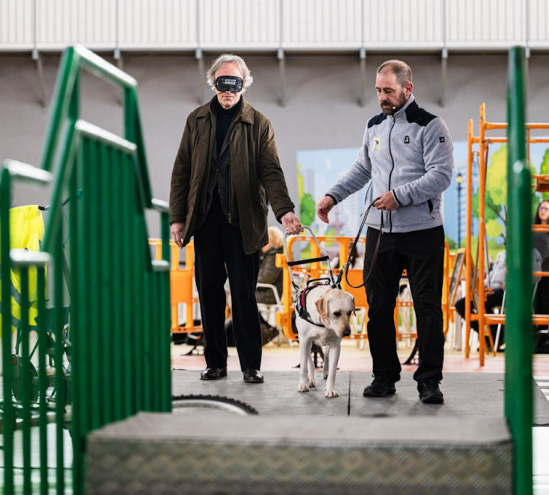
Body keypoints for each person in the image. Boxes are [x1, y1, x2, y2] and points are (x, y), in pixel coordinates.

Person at [316, 60, 454, 404]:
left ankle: (428, 381)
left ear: (408, 89)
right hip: (380, 233)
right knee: (378, 307)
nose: (382, 97)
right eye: (379, 90)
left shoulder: (430, 126)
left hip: (423, 232)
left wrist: (401, 197)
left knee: (427, 308)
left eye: (388, 91)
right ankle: (384, 376)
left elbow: (441, 175)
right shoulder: (374, 126)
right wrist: (333, 195)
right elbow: (363, 167)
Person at [170, 54, 302, 384]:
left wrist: (284, 211)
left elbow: (271, 171)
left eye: (234, 84)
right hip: (204, 219)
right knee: (209, 293)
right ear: (213, 84)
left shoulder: (259, 123)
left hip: (244, 223)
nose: (228, 91)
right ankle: (214, 362)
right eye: (222, 83)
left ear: (244, 84)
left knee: (244, 296)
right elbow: (182, 170)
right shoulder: (196, 120)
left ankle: (250, 366)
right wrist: (178, 218)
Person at [533, 199, 549, 319]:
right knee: (535, 308)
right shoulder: (532, 229)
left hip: (547, 275)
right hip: (533, 275)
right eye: (541, 208)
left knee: (545, 308)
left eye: (546, 208)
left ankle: (544, 335)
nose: (543, 211)